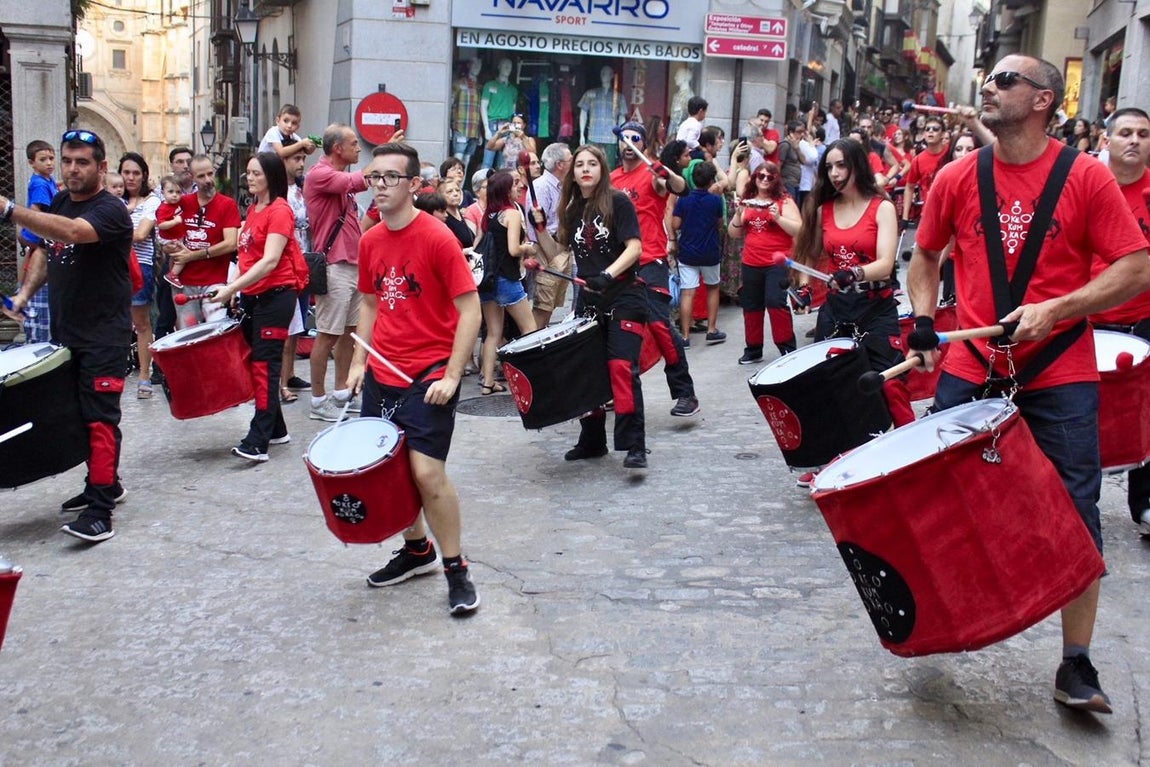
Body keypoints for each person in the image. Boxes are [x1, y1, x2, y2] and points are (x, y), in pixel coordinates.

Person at [907, 56, 1150, 715]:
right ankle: (936, 623)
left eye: (1006, 80)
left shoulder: (1086, 179)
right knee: (936, 501)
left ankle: (1076, 662)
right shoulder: (959, 176)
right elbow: (925, 255)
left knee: (1077, 511)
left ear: (1044, 99)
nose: (989, 86)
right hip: (971, 364)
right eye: (988, 79)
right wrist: (927, 320)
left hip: (1060, 368)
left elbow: (1136, 268)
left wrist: (1058, 309)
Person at [348, 142, 482, 615]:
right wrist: (360, 361)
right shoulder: (369, 241)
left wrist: (451, 374)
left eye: (389, 177)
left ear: (413, 185)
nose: (378, 185)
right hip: (382, 370)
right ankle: (416, 549)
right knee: (392, 472)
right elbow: (368, 302)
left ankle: (455, 567)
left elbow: (471, 310)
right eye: (373, 177)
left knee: (426, 472)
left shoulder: (438, 238)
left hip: (427, 374)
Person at [0, 129, 134, 543]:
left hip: (104, 337)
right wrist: (24, 294)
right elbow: (45, 249)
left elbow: (73, 233)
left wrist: (9, 211)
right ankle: (105, 482)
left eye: (83, 162)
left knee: (99, 418)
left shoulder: (111, 210)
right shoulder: (59, 200)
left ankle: (100, 511)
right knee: (76, 415)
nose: (73, 169)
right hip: (67, 334)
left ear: (101, 167)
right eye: (67, 161)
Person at [792, 139, 915, 475]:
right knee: (830, 386)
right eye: (829, 167)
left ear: (857, 166)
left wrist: (854, 272)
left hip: (875, 308)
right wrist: (803, 289)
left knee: (888, 382)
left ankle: (913, 457)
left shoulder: (882, 208)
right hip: (837, 309)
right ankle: (835, 458)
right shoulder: (822, 210)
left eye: (841, 165)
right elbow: (809, 254)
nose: (834, 173)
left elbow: (886, 262)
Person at [533, 144, 649, 469]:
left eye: (592, 163)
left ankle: (634, 444)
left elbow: (635, 247)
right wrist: (539, 229)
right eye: (580, 164)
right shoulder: (571, 209)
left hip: (625, 295)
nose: (585, 169)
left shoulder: (618, 202)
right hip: (588, 300)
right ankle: (593, 440)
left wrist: (608, 274)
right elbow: (558, 249)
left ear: (602, 169)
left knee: (621, 368)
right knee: (587, 372)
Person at [211, 153, 304, 462]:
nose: (249, 178)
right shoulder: (253, 209)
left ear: (271, 177)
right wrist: (238, 289)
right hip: (255, 296)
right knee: (259, 364)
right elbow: (247, 256)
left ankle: (258, 440)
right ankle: (275, 429)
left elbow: (271, 260)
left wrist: (232, 288)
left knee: (265, 366)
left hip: (276, 296)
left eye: (256, 174)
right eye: (248, 173)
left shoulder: (280, 211)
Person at [609, 121, 700, 419]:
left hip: (650, 260)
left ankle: (685, 392)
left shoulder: (652, 173)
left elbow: (678, 187)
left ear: (644, 145)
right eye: (625, 138)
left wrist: (668, 175)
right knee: (611, 329)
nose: (629, 143)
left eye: (635, 139)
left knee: (659, 325)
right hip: (618, 264)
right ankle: (611, 391)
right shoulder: (610, 179)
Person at [1087, 107, 1150, 538]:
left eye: (1143, 134)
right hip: (1085, 320)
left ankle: (1145, 503)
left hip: (1144, 319)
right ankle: (1077, 499)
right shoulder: (1088, 184)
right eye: (1125, 132)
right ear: (1106, 140)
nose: (1134, 140)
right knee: (1080, 416)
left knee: (1147, 414)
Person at [303, 124, 368, 421]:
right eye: (354, 144)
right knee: (327, 336)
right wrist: (387, 159)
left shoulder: (336, 176)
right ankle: (318, 400)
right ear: (337, 148)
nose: (358, 148)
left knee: (349, 335)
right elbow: (361, 180)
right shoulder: (320, 174)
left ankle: (341, 392)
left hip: (353, 264)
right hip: (334, 266)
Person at [728, 161, 803, 364]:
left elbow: (798, 230)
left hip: (777, 262)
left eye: (769, 177)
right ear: (755, 178)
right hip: (751, 261)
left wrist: (778, 218)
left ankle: (787, 347)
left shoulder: (784, 202)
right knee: (751, 305)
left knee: (775, 302)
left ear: (776, 179)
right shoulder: (748, 201)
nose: (764, 180)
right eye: (760, 176)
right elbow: (733, 233)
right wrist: (737, 213)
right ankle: (753, 348)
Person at [476, 171, 538, 395]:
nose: (520, 186)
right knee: (529, 328)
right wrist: (528, 248)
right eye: (515, 184)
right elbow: (513, 249)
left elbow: (477, 246)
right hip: (507, 279)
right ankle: (532, 376)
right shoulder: (511, 214)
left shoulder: (489, 216)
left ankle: (487, 382)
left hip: (487, 281)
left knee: (492, 333)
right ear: (505, 190)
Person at [163, 155, 241, 329]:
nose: (207, 180)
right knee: (187, 336)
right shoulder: (182, 203)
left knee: (215, 331)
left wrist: (193, 256)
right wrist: (167, 246)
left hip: (215, 281)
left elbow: (231, 243)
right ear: (191, 177)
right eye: (201, 176)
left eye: (210, 174)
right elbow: (166, 230)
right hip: (184, 282)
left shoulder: (227, 204)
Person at [119, 152, 161, 399]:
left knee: (142, 322)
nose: (131, 177)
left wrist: (111, 226)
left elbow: (141, 234)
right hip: (113, 266)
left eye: (136, 173)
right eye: (126, 172)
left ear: (144, 175)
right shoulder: (113, 199)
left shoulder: (152, 201)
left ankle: (144, 375)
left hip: (140, 266)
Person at [672, 161, 726, 345]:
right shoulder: (715, 200)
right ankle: (711, 329)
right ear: (712, 180)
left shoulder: (684, 199)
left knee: (687, 292)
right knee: (712, 287)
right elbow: (720, 224)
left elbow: (676, 224)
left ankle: (685, 336)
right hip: (710, 250)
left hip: (687, 251)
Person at [280, 147, 313, 403]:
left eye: (303, 159)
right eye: (296, 159)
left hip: (304, 261)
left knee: (298, 326)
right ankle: (281, 382)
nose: (301, 163)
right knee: (286, 326)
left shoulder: (304, 188)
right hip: (286, 264)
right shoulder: (279, 192)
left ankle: (290, 374)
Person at [17, 140, 57, 344]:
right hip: (39, 238)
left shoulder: (48, 180)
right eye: (43, 159)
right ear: (32, 163)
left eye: (51, 158)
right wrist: (46, 235)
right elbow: (36, 211)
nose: (49, 163)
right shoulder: (40, 183)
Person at [531, 141, 572, 328]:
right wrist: (550, 253)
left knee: (552, 305)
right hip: (546, 249)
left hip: (561, 248)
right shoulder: (541, 186)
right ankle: (532, 350)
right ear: (560, 164)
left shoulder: (562, 186)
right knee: (542, 306)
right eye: (571, 160)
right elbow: (539, 226)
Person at [901, 115, 948, 227]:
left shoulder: (952, 152)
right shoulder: (918, 159)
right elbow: (909, 187)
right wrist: (905, 217)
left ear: (942, 134)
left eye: (935, 129)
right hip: (928, 213)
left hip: (951, 211)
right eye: (927, 129)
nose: (930, 131)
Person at [579, 65, 626, 167]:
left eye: (607, 73)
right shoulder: (590, 94)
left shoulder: (618, 97)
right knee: (590, 163)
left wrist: (620, 136)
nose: (604, 76)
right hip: (593, 136)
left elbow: (622, 117)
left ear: (612, 76)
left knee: (609, 167)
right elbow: (583, 112)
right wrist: (582, 134)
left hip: (611, 137)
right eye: (603, 73)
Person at [480, 58, 519, 171]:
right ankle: (483, 186)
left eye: (510, 66)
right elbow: (483, 107)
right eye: (505, 65)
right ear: (499, 67)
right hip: (492, 124)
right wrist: (486, 128)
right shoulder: (489, 86)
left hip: (507, 125)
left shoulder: (513, 90)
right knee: (488, 160)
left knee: (504, 161)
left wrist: (513, 130)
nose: (507, 68)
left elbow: (513, 112)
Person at [154, 174, 187, 287]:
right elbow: (161, 224)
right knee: (184, 255)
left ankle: (172, 273)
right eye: (171, 192)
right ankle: (173, 274)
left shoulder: (176, 205)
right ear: (163, 192)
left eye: (178, 192)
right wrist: (175, 221)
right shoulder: (163, 208)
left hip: (176, 236)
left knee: (175, 257)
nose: (175, 195)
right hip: (168, 238)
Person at [451, 58, 484, 170]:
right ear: (469, 66)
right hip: (461, 127)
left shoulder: (479, 87)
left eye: (479, 66)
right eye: (474, 65)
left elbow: (479, 109)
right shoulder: (459, 84)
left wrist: (480, 132)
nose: (477, 68)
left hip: (474, 130)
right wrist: (449, 127)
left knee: (467, 160)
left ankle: (460, 186)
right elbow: (450, 104)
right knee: (458, 158)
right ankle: (453, 184)